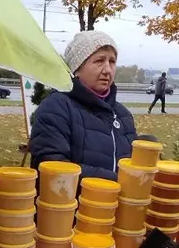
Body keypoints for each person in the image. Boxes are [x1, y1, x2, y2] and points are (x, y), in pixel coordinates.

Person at [29, 31, 141, 181]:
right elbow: (52, 167)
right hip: (73, 203)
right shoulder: (56, 108)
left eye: (112, 61)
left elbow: (133, 166)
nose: (107, 70)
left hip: (118, 204)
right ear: (77, 68)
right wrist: (116, 181)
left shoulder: (123, 115)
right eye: (99, 61)